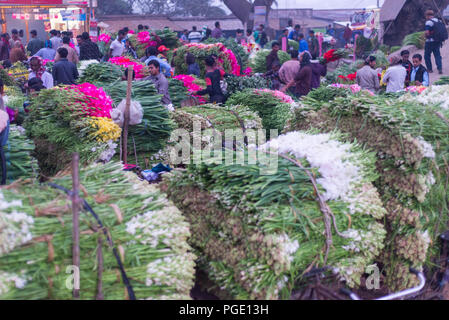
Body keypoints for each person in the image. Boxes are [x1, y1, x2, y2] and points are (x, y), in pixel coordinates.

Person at [424, 10, 444, 74]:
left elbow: (427, 32)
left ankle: (429, 69)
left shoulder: (428, 22)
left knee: (427, 55)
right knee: (437, 55)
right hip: (437, 41)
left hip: (430, 42)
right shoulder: (438, 20)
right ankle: (440, 68)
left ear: (427, 15)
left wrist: (425, 35)